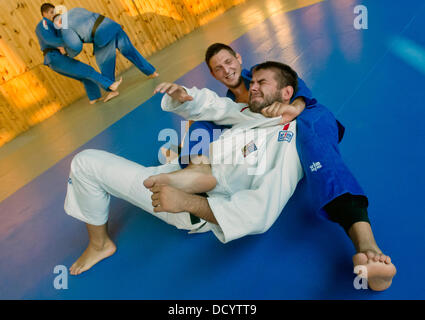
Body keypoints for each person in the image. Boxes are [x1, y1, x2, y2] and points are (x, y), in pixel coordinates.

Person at [64, 61, 396, 291]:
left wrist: (185, 202)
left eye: (260, 83)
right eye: (251, 83)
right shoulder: (255, 114)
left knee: (85, 162)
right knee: (195, 149)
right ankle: (179, 163)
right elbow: (216, 108)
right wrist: (184, 98)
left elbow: (258, 213)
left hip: (193, 203)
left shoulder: (294, 138)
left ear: (288, 93)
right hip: (189, 172)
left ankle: (100, 244)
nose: (251, 87)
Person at [172, 43, 396, 291]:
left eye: (228, 61)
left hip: (303, 122)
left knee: (319, 153)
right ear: (213, 75)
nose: (226, 70)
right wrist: (192, 160)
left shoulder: (264, 74)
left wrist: (294, 108)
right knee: (200, 134)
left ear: (238, 57)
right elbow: (203, 128)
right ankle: (191, 168)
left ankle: (367, 245)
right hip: (272, 149)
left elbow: (298, 85)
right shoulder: (222, 108)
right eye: (217, 68)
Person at [53, 7, 159, 102]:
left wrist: (66, 51)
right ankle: (151, 71)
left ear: (58, 23)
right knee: (130, 51)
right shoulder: (74, 10)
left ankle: (111, 91)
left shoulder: (65, 27)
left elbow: (76, 46)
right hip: (111, 25)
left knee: (104, 62)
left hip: (102, 36)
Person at [35, 3, 122, 104]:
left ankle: (94, 97)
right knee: (86, 70)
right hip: (54, 57)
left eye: (54, 11)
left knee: (82, 75)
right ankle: (111, 85)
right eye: (51, 12)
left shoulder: (54, 25)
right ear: (44, 14)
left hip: (55, 59)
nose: (53, 14)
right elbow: (49, 40)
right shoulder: (44, 24)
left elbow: (61, 37)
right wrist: (67, 44)